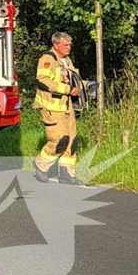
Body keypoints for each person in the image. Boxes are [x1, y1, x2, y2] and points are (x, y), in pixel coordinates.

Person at [33, 32, 89, 185]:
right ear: (56, 44)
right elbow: (43, 81)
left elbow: (72, 80)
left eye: (70, 45)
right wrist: (67, 89)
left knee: (71, 139)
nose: (69, 48)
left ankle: (66, 174)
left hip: (66, 105)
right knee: (59, 139)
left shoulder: (66, 60)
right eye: (66, 45)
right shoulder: (48, 59)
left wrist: (86, 85)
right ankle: (40, 165)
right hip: (52, 106)